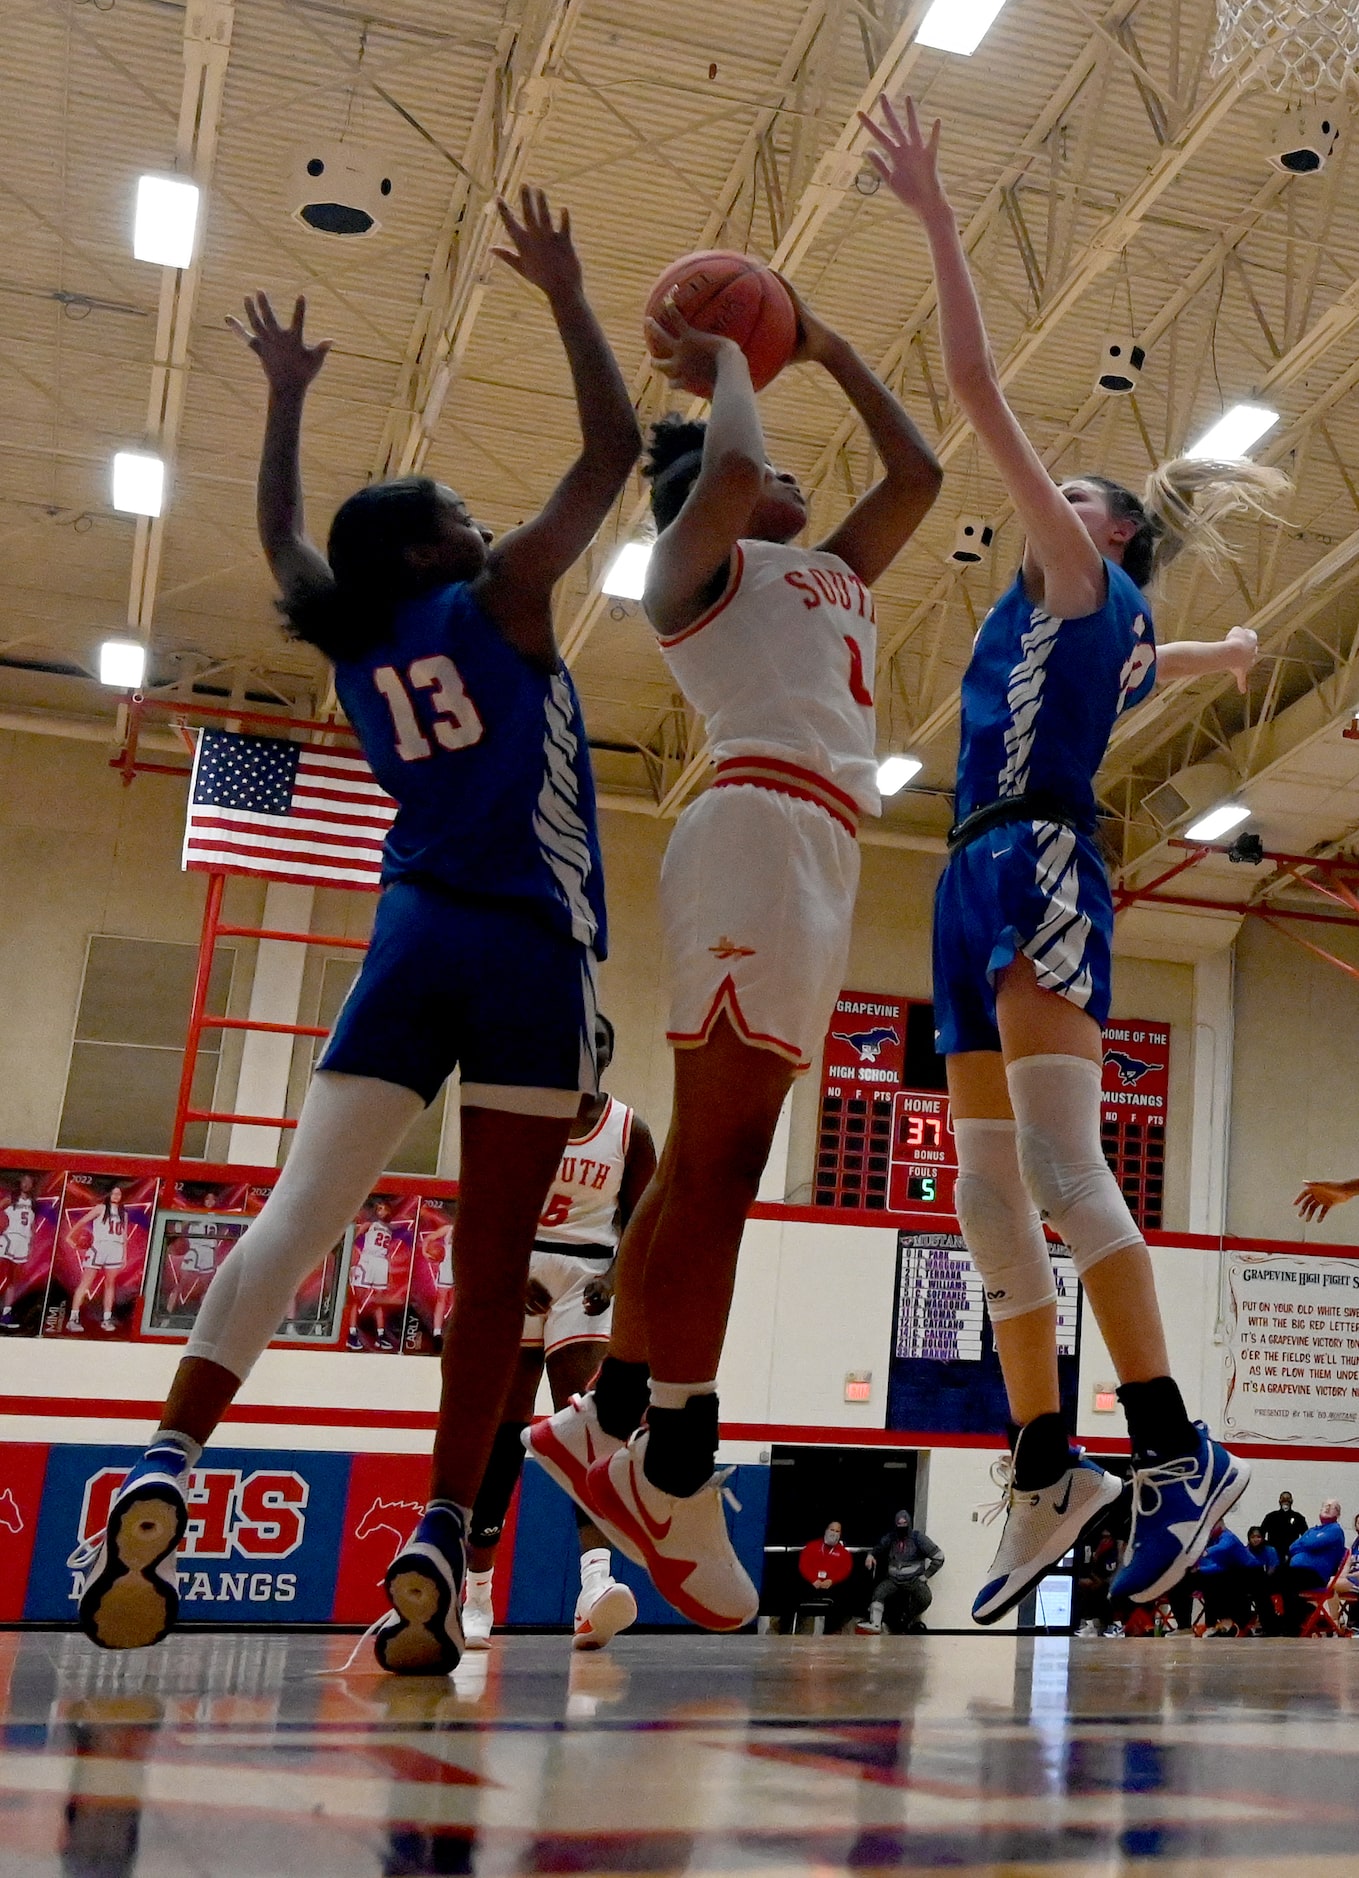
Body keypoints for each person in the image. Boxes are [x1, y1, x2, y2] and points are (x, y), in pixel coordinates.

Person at [72, 186, 640, 1675]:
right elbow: (612, 453)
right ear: (428, 551)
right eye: (454, 506)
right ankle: (442, 1533)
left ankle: (165, 1461)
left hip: (406, 940)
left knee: (291, 1220)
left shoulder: (356, 639)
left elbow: (276, 531)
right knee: (497, 1262)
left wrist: (282, 402)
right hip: (527, 955)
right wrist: (571, 296)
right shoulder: (501, 601)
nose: (475, 512)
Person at [859, 96, 1285, 1626]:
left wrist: (935, 216)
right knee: (978, 1191)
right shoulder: (1099, 632)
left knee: (1054, 1164)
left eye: (1081, 500)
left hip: (1033, 857)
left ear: (1095, 536)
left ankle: (1174, 1446)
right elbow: (1161, 658)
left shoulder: (1070, 569)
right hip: (966, 873)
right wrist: (1225, 648)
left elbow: (973, 382)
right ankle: (1047, 1460)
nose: (1054, 502)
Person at [526, 274, 941, 1631]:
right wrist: (723, 360)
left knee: (717, 1160)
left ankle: (614, 1421)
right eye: (755, 477)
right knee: (715, 1168)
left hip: (813, 844)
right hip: (757, 823)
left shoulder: (821, 573)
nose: (788, 485)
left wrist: (822, 339)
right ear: (710, 491)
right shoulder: (684, 574)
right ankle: (679, 1466)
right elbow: (748, 457)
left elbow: (919, 469)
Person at [462, 1012, 657, 1652]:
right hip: (523, 1268)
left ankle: (595, 1585)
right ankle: (477, 1594)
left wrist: (622, 1278)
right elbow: (488, 1200)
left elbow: (647, 1214)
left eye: (601, 1040)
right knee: (504, 1434)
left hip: (589, 1275)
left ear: (610, 1051)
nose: (590, 1049)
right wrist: (507, 1267)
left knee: (587, 1427)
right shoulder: (527, 1114)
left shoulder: (629, 1128)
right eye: (580, 1038)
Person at [855, 1511, 943, 1634]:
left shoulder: (918, 1538)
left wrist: (926, 1575)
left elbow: (939, 1557)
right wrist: (871, 1555)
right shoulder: (891, 1537)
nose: (901, 1526)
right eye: (899, 1523)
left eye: (904, 1523)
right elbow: (879, 1547)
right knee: (879, 1593)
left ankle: (907, 1618)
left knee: (925, 1598)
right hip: (893, 1579)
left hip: (913, 1579)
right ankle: (875, 1623)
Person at [1276, 1498, 1349, 1633]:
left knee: (1285, 1578)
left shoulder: (1335, 1530)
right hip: (1299, 1573)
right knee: (1275, 1576)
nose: (1327, 1508)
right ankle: (1300, 1612)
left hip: (1316, 1576)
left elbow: (1311, 1544)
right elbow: (1292, 1547)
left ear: (1338, 1513)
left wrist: (1304, 1544)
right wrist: (1306, 1544)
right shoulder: (1312, 1530)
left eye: (1331, 1507)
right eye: (1325, 1505)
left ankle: (1292, 1623)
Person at [68, 1187, 128, 1334]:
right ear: (108, 1194)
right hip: (99, 1247)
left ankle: (106, 1319)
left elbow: (124, 1236)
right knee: (86, 1283)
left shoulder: (123, 1213)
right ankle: (73, 1318)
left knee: (110, 1284)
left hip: (115, 1249)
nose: (116, 1195)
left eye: (119, 1193)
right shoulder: (100, 1208)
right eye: (113, 1192)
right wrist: (69, 1237)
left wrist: (124, 1255)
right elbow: (83, 1220)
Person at [346, 1199, 397, 1352]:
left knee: (378, 1302)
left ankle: (380, 1336)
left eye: (383, 1208)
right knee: (356, 1299)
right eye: (378, 1208)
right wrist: (354, 1263)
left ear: (389, 1211)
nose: (380, 1211)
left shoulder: (389, 1230)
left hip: (381, 1263)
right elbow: (352, 1240)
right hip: (367, 1261)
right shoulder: (369, 1225)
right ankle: (351, 1334)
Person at [796, 1519, 858, 1633]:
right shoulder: (811, 1546)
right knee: (793, 1592)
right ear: (826, 1530)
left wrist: (831, 1580)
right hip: (812, 1583)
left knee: (845, 1597)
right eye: (832, 1529)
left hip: (832, 1586)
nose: (834, 1533)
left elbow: (846, 1570)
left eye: (837, 1531)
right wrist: (813, 1579)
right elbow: (803, 1565)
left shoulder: (844, 1553)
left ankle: (831, 1631)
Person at [0, 1173, 37, 1329]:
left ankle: (6, 1314)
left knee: (13, 1280)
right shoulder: (10, 1199)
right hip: (9, 1238)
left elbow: (32, 1226)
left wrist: (31, 1243)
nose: (26, 1184)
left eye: (30, 1182)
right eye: (24, 1181)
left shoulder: (33, 1203)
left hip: (23, 1242)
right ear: (19, 1183)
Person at [1261, 1491, 1308, 1563]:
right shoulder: (1271, 1517)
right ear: (1279, 1500)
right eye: (1283, 1498)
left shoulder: (1299, 1517)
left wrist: (1298, 1550)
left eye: (1288, 1498)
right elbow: (1261, 1534)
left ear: (1292, 1501)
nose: (1285, 1500)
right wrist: (1268, 1548)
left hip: (1292, 1554)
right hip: (1274, 1554)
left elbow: (1305, 1536)